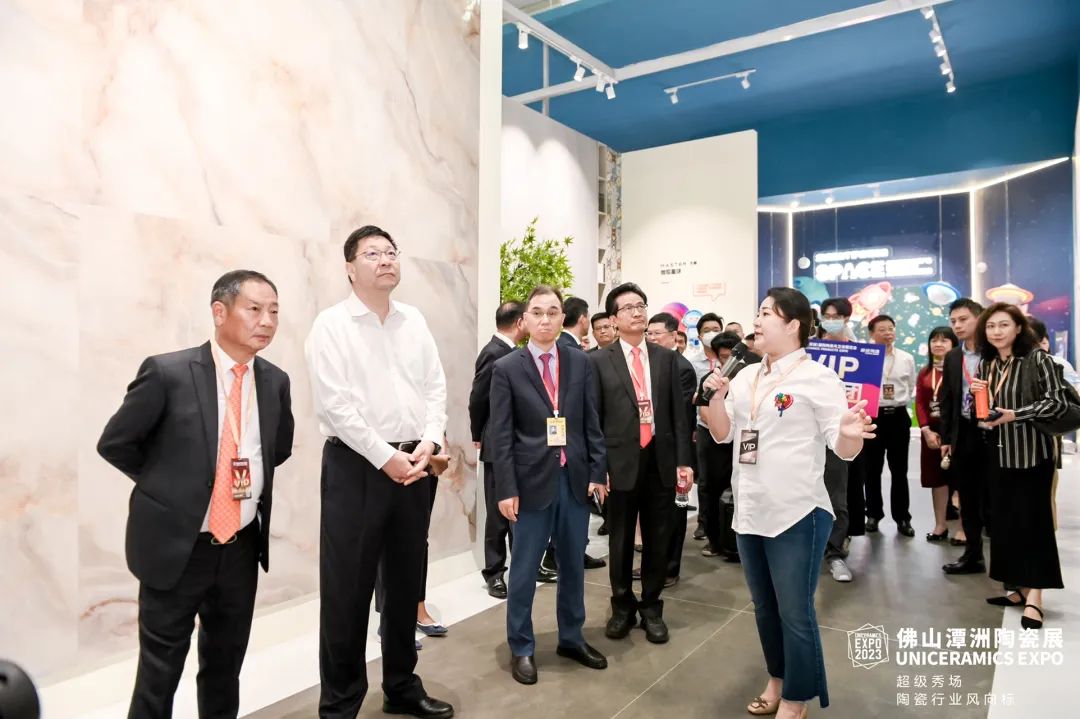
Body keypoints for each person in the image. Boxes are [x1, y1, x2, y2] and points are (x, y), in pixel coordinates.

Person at [97, 270, 295, 719]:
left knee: (225, 669)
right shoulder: (168, 372)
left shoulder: (275, 381)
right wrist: (174, 490)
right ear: (219, 312)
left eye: (274, 311)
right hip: (177, 547)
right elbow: (116, 443)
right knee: (158, 674)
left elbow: (277, 449)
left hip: (240, 548)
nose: (267, 321)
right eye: (254, 309)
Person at [701, 287, 875, 719]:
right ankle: (776, 680)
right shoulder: (745, 376)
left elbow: (842, 445)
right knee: (765, 608)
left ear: (793, 324)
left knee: (795, 612)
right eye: (758, 313)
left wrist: (850, 432)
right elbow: (722, 434)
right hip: (750, 509)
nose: (756, 321)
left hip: (797, 512)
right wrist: (715, 400)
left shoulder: (819, 378)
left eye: (765, 313)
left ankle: (796, 699)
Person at [305, 226, 453, 719]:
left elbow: (435, 386)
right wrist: (384, 455)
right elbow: (335, 405)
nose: (386, 260)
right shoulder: (331, 325)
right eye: (373, 254)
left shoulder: (414, 320)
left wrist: (429, 441)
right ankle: (340, 703)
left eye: (391, 252)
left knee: (406, 583)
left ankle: (401, 685)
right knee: (347, 591)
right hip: (357, 467)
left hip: (415, 465)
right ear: (350, 268)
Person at [489, 285, 609, 685]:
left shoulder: (579, 362)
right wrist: (506, 488)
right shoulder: (507, 368)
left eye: (553, 312)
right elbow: (501, 435)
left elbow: (591, 421)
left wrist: (597, 471)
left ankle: (571, 638)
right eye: (537, 312)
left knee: (573, 564)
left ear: (562, 318)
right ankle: (521, 646)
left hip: (573, 480)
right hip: (529, 485)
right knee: (524, 570)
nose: (545, 319)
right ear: (524, 320)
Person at [591, 282, 694, 645]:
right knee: (620, 540)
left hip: (660, 461)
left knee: (657, 538)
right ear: (614, 319)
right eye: (628, 308)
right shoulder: (597, 362)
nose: (637, 312)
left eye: (641, 305)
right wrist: (597, 468)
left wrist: (684, 461)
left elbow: (680, 416)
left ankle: (652, 608)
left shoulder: (667, 359)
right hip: (618, 464)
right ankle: (622, 607)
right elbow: (593, 420)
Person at [971, 303, 1066, 629]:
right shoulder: (987, 364)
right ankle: (1015, 588)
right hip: (997, 454)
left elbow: (1056, 402)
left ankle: (1035, 597)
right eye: (990, 326)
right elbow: (983, 409)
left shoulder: (1038, 359)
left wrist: (1015, 414)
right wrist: (978, 403)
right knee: (1004, 525)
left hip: (1032, 455)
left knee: (1034, 525)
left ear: (1018, 328)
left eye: (1003, 325)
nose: (996, 331)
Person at [469, 302, 527, 599]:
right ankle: (494, 573)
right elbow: (477, 398)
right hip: (496, 444)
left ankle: (522, 568)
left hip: (520, 445)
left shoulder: (518, 353)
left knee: (519, 510)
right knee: (496, 513)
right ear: (520, 322)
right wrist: (477, 434)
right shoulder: (493, 352)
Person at [646, 312, 698, 587]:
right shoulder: (649, 363)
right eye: (649, 334)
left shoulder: (682, 368)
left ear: (674, 336)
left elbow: (680, 419)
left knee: (675, 513)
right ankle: (653, 566)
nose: (651, 338)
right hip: (650, 452)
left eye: (657, 334)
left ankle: (670, 568)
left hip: (675, 453)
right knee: (654, 515)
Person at [940, 298, 987, 574]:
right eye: (953, 321)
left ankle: (1008, 566)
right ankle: (973, 555)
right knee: (967, 498)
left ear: (979, 318)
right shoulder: (953, 357)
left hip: (995, 431)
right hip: (965, 432)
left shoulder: (994, 352)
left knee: (995, 498)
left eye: (963, 319)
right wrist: (947, 438)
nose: (957, 325)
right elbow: (947, 399)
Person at [816, 297, 861, 582]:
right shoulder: (808, 350)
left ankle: (834, 553)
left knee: (836, 495)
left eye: (837, 316)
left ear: (846, 319)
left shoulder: (859, 353)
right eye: (827, 315)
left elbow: (866, 393)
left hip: (839, 433)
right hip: (806, 433)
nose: (831, 320)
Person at [862, 314, 917, 537]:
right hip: (872, 418)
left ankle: (903, 518)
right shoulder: (866, 357)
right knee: (871, 469)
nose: (888, 333)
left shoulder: (906, 358)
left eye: (891, 329)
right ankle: (873, 514)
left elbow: (910, 385)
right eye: (882, 329)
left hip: (898, 417)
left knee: (899, 470)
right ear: (871, 333)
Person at [915, 326, 958, 542]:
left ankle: (964, 529)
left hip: (955, 430)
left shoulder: (959, 370)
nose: (938, 344)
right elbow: (920, 403)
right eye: (934, 340)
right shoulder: (925, 371)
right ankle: (940, 525)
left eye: (944, 340)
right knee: (937, 480)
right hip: (931, 433)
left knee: (961, 480)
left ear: (954, 345)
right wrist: (925, 430)